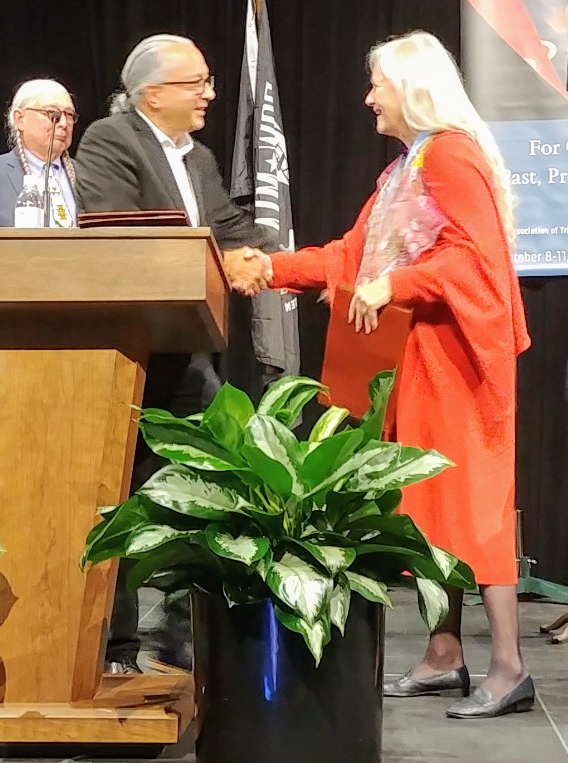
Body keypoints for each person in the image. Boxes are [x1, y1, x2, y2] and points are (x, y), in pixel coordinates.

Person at [228, 31, 533, 719]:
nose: (368, 98)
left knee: (473, 509)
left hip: (460, 362)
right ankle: (444, 652)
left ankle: (510, 666)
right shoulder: (406, 168)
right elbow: (349, 255)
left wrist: (395, 281)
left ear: (411, 88)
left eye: (378, 85)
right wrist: (270, 268)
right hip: (422, 360)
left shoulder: (450, 155)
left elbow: (474, 263)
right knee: (429, 507)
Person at [75, 34, 276, 675]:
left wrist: (264, 261)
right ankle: (117, 646)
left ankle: (183, 627)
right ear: (152, 93)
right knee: (122, 499)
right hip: (128, 355)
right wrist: (221, 257)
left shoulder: (201, 159)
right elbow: (119, 232)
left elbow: (230, 229)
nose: (211, 94)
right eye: (199, 84)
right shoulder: (111, 140)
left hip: (186, 354)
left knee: (232, 473)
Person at [0, 78, 81, 227]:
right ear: (20, 119)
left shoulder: (89, 175)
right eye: (53, 114)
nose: (64, 124)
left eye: (69, 115)